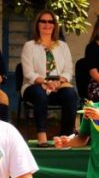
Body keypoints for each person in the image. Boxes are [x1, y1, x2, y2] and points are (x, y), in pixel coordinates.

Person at [20, 10, 79, 146]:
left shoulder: (63, 46)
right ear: (38, 25)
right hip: (33, 87)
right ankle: (42, 135)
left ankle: (65, 136)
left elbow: (69, 71)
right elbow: (28, 73)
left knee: (70, 94)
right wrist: (45, 82)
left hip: (58, 86)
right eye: (43, 21)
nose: (47, 25)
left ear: (55, 25)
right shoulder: (29, 46)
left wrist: (58, 82)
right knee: (40, 94)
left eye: (50, 22)